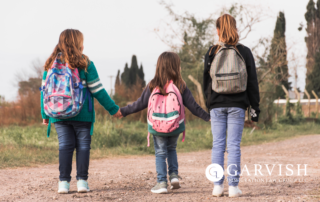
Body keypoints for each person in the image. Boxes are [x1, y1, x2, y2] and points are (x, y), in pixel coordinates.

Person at [115, 52, 210, 194]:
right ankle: (173, 176)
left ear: (159, 66)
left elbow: (139, 104)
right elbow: (193, 106)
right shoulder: (181, 85)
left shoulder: (153, 85)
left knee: (160, 152)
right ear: (176, 67)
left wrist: (123, 111)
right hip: (175, 125)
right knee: (171, 148)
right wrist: (208, 117)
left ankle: (161, 183)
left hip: (157, 126)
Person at [40, 29, 121, 194]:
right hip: (82, 113)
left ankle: (63, 183)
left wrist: (45, 114)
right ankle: (82, 182)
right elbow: (98, 90)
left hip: (57, 114)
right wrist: (113, 109)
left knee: (64, 146)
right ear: (78, 44)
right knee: (83, 146)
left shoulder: (50, 64)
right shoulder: (85, 63)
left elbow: (44, 91)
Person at [203, 14, 260, 197]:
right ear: (235, 28)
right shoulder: (244, 52)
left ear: (218, 30)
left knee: (217, 145)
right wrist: (254, 108)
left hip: (217, 105)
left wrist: (209, 105)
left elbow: (206, 83)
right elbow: (252, 83)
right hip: (238, 104)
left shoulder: (211, 52)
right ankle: (234, 187)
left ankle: (217, 186)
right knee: (234, 145)